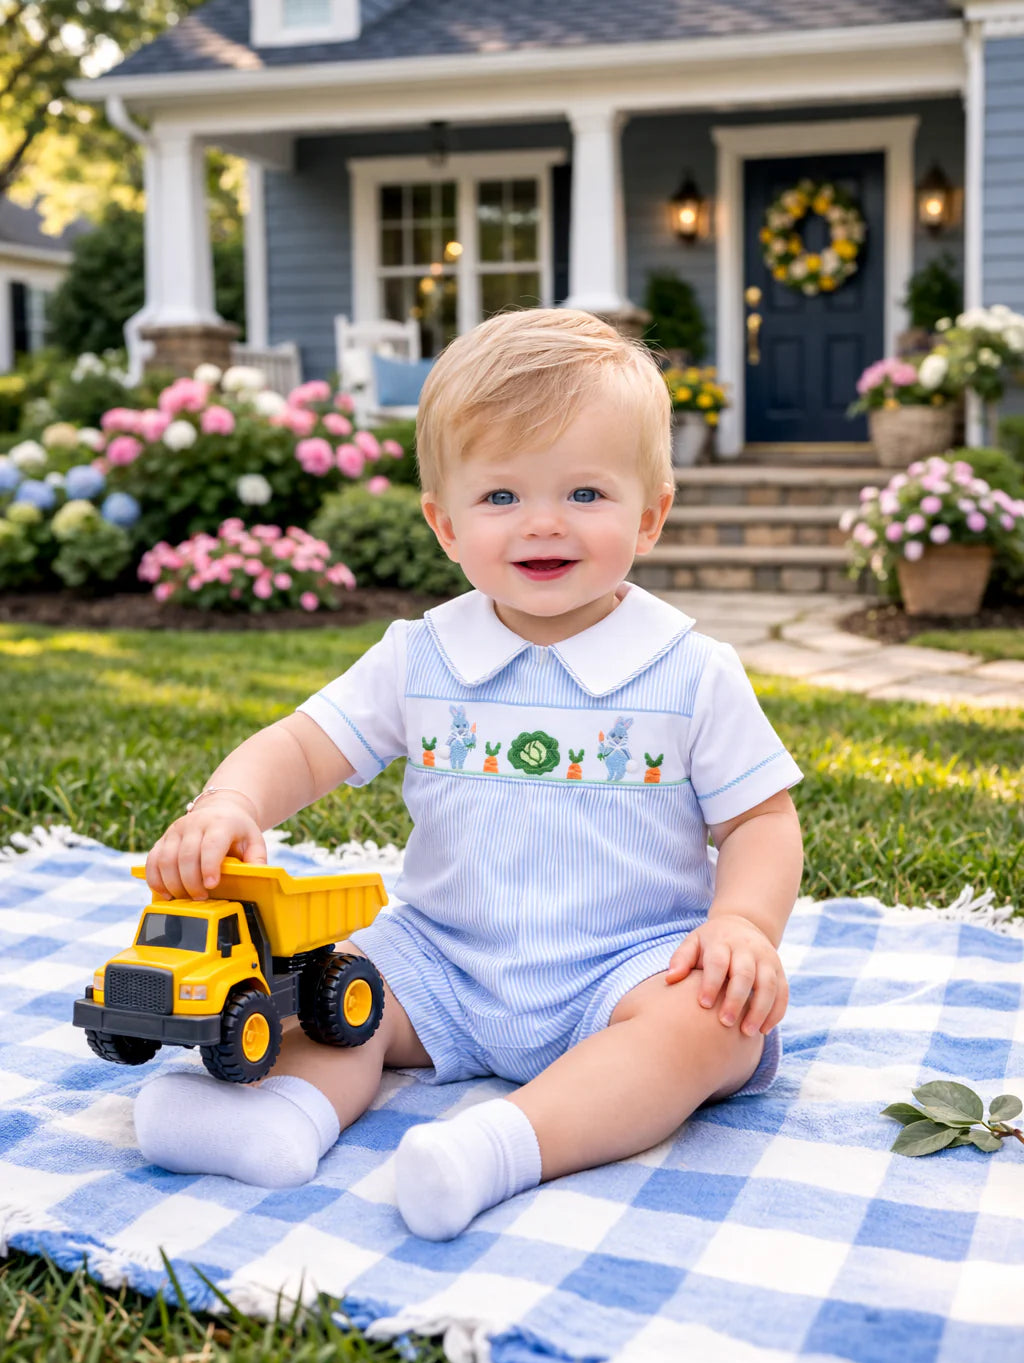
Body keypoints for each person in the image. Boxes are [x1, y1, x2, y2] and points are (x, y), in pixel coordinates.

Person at [134, 308, 804, 1241]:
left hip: (627, 967)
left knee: (709, 1024)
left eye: (584, 494)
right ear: (444, 524)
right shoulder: (422, 657)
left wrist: (740, 925)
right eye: (500, 499)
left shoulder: (691, 672)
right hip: (440, 960)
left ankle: (502, 1145)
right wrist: (233, 800)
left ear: (650, 513)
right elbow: (302, 743)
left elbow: (761, 823)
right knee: (333, 993)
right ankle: (277, 1117)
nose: (541, 524)